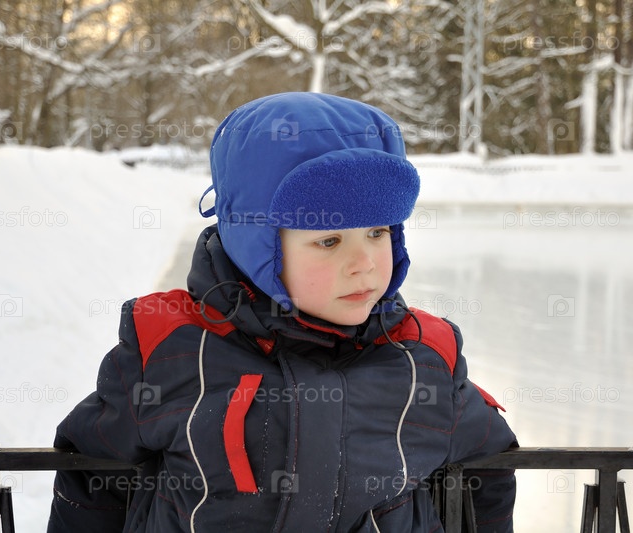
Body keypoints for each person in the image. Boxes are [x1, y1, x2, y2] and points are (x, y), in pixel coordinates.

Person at [47, 92, 518, 532]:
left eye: (378, 232)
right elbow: (95, 475)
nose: (364, 264)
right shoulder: (169, 350)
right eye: (329, 241)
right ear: (256, 242)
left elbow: (487, 469)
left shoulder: (425, 357)